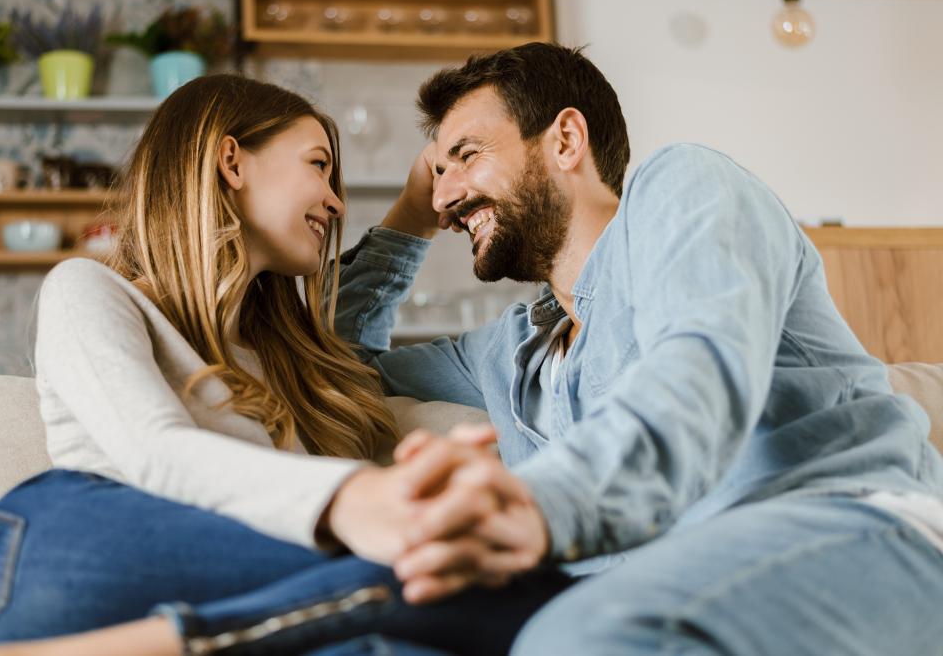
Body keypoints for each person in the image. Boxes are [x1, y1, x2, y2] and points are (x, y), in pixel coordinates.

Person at [0, 75, 573, 656]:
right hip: (35, 566)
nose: (336, 201)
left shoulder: (283, 363)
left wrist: (416, 212)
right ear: (231, 160)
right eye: (318, 165)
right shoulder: (90, 289)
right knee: (458, 579)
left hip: (213, 609)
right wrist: (352, 500)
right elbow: (156, 454)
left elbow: (347, 339)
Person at [330, 42, 943, 654]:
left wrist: (540, 504)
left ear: (566, 140)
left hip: (856, 527)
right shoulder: (507, 353)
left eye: (467, 156)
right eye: (437, 175)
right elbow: (333, 365)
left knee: (576, 641)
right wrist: (408, 215)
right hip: (664, 588)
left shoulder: (684, 187)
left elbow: (694, 379)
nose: (445, 196)